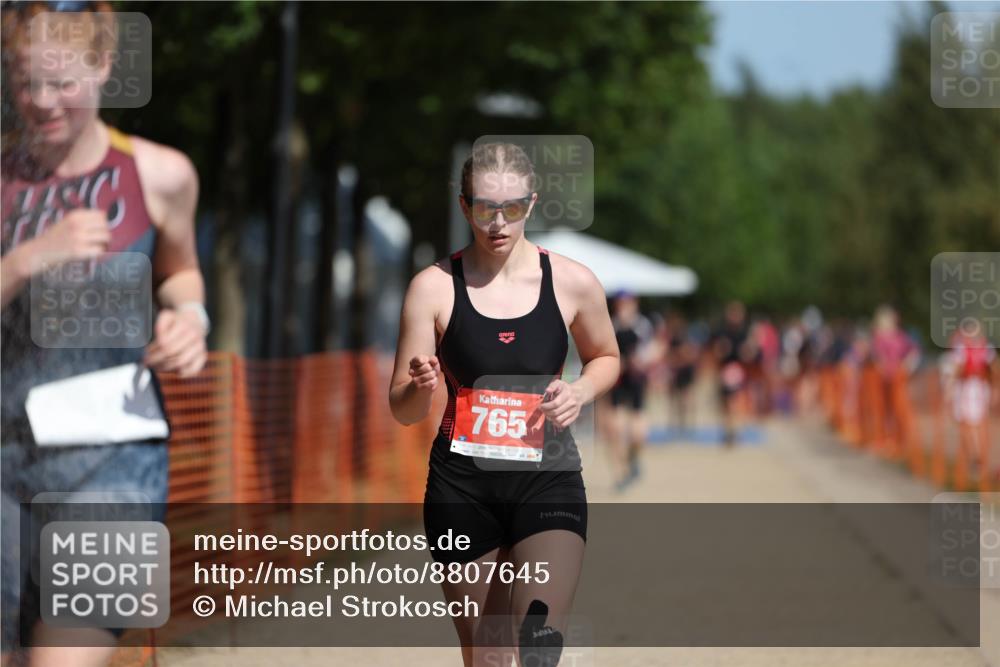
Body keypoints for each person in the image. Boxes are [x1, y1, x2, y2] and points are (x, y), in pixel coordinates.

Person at [1, 3, 206, 665]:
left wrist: (190, 320)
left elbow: (181, 275)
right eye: (26, 81)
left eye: (62, 83)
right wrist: (26, 258)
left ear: (104, 67)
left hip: (113, 464)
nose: (41, 102)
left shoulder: (161, 175)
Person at [388, 142, 619, 667]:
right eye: (485, 208)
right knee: (488, 658)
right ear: (464, 204)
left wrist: (581, 390)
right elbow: (401, 408)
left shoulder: (573, 282)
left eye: (512, 209)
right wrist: (420, 388)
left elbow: (606, 355)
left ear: (531, 205)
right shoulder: (432, 288)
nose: (498, 222)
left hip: (547, 478)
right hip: (463, 487)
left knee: (540, 642)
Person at [942, 319, 996, 490]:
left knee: (968, 423)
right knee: (973, 423)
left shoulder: (966, 347)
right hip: (976, 386)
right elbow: (994, 368)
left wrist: (949, 389)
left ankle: (976, 459)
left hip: (968, 387)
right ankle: (976, 458)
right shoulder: (984, 347)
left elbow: (958, 368)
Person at [608, 291, 653, 490]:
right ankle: (621, 472)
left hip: (636, 379)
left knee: (638, 430)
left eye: (627, 303)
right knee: (615, 428)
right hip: (617, 378)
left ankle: (633, 458)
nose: (623, 307)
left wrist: (640, 361)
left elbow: (652, 349)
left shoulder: (642, 325)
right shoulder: (611, 323)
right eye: (620, 303)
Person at [712, 301, 754, 446]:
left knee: (734, 402)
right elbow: (716, 352)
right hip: (725, 369)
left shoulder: (744, 333)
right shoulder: (722, 332)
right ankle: (728, 430)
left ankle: (734, 431)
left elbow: (749, 355)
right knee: (725, 404)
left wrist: (747, 350)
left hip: (737, 370)